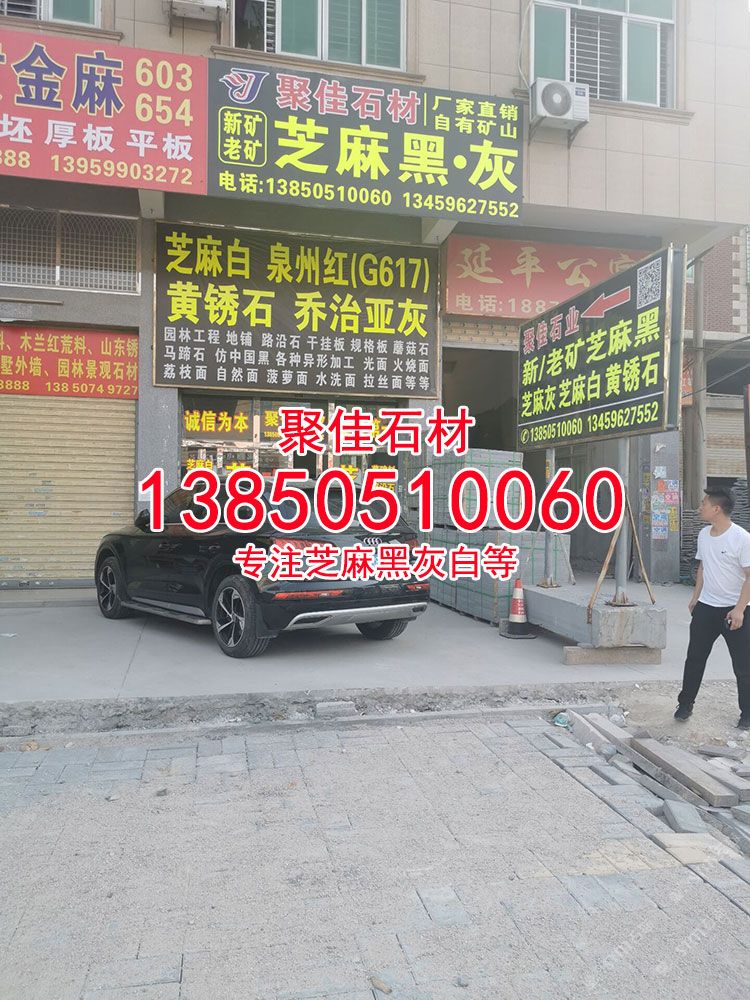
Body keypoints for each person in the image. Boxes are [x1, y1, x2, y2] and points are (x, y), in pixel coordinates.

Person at [675, 487, 750, 728]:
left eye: (703, 504)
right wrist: (695, 597)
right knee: (694, 659)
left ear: (716, 509)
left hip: (735, 611)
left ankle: (747, 714)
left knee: (743, 665)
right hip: (706, 607)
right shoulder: (703, 535)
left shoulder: (741, 538)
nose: (700, 507)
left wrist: (739, 609)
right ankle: (685, 705)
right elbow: (703, 567)